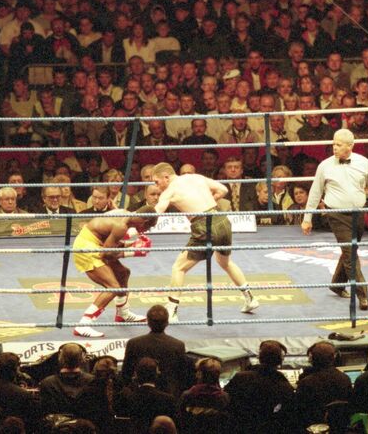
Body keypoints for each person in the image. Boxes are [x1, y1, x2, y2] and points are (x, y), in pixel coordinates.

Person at [302, 130, 368, 309]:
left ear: (350, 146)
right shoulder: (324, 166)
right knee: (350, 254)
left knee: (350, 250)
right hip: (336, 214)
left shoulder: (364, 163)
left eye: (339, 145)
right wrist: (307, 218)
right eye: (333, 144)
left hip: (358, 214)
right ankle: (362, 294)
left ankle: (337, 284)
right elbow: (315, 193)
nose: (334, 147)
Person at [152, 163, 259, 321]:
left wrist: (135, 223)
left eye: (156, 181)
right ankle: (250, 298)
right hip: (222, 220)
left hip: (204, 226)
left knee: (178, 267)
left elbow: (157, 211)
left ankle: (172, 309)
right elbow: (223, 189)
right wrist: (208, 204)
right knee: (225, 263)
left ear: (166, 177)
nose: (156, 186)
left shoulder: (170, 190)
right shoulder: (195, 177)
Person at [72, 206, 159, 337]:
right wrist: (132, 252)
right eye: (148, 227)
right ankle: (83, 324)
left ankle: (123, 313)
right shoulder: (121, 226)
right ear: (144, 221)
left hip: (97, 244)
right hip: (87, 248)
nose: (146, 231)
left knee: (123, 273)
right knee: (113, 288)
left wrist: (133, 244)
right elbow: (106, 254)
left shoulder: (126, 215)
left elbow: (110, 243)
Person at [224, 340, 294, 433]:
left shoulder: (241, 377)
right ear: (280, 360)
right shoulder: (284, 386)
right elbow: (287, 415)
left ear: (260, 357)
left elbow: (226, 400)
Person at [122, 305, 188, 397]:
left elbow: (126, 373)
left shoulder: (134, 343)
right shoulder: (177, 345)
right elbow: (183, 376)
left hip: (139, 396)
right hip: (169, 394)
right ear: (167, 323)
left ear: (148, 322)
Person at [295, 341, 354, 427]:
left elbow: (299, 411)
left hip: (313, 426)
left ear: (311, 358)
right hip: (339, 426)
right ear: (334, 357)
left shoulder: (306, 382)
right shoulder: (345, 379)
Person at [39, 343, 95, 415]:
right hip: (85, 425)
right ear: (82, 359)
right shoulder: (93, 381)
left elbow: (44, 413)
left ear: (60, 359)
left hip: (57, 425)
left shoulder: (47, 383)